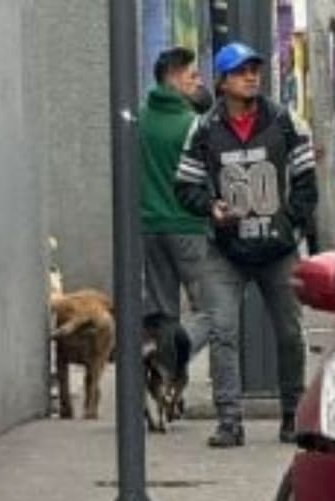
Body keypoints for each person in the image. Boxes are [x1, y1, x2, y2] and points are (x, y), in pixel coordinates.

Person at [175, 42, 318, 448]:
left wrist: (290, 223)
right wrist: (211, 207)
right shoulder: (203, 129)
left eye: (254, 68)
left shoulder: (285, 121)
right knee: (222, 331)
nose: (251, 76)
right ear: (222, 81)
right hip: (226, 251)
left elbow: (307, 182)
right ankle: (229, 421)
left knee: (290, 333)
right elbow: (184, 185)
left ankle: (292, 414)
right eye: (240, 71)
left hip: (277, 251)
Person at [140, 47, 211, 367]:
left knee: (164, 312)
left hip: (149, 227)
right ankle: (181, 349)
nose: (199, 82)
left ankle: (163, 365)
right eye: (192, 76)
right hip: (189, 228)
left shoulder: (138, 121)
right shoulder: (193, 125)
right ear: (173, 78)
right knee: (213, 308)